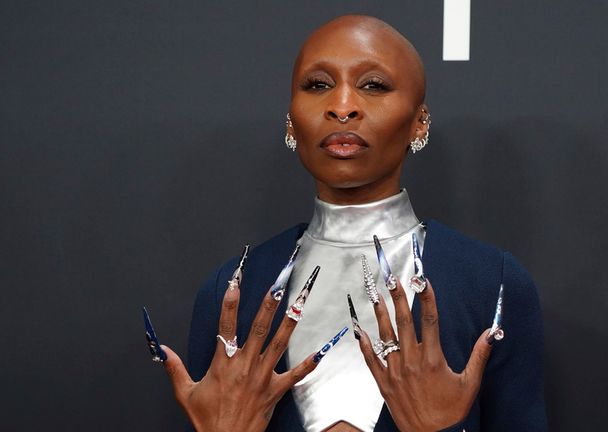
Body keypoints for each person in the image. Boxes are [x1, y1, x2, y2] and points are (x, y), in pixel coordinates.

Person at [152, 14, 546, 431]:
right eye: (317, 85)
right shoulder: (234, 291)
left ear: (420, 121)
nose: (342, 107)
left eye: (373, 86)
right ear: (291, 119)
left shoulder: (489, 283)